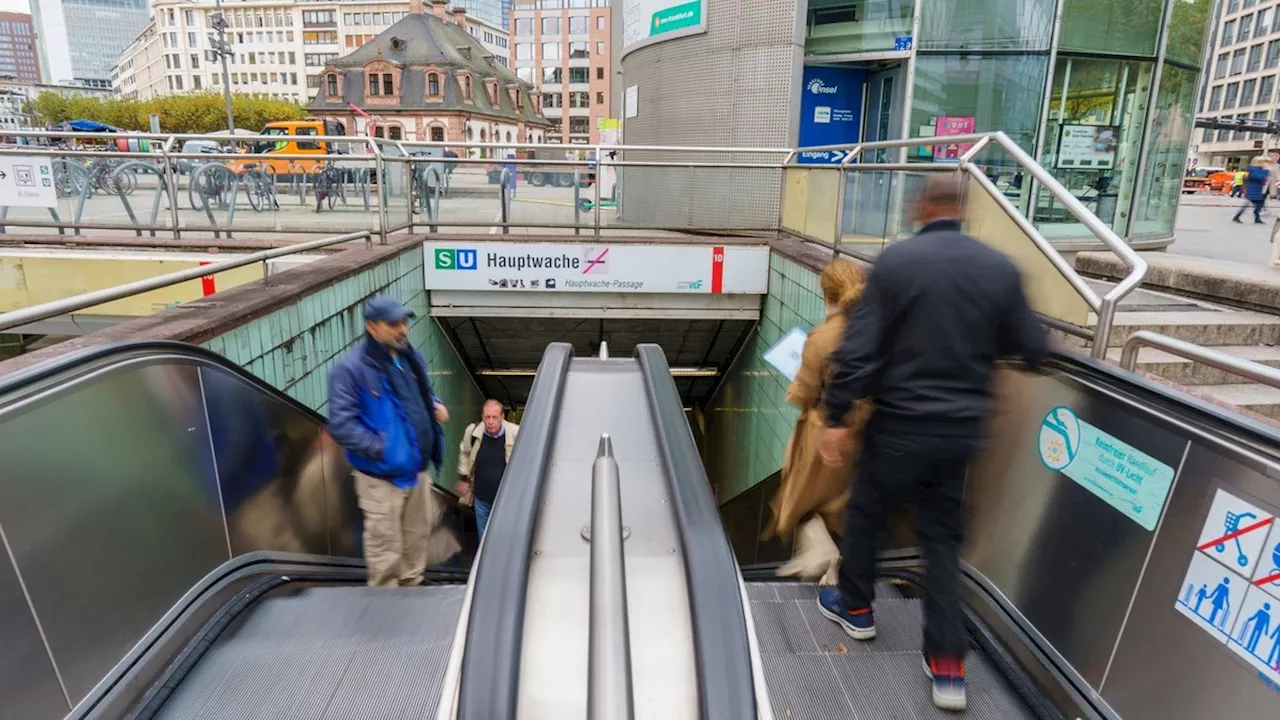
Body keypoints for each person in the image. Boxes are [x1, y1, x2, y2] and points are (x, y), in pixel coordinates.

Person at [815, 174, 1048, 712]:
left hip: (898, 425)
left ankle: (856, 610)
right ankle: (947, 665)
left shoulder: (897, 265)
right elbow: (1033, 349)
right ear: (960, 210)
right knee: (942, 542)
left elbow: (861, 349)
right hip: (962, 432)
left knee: (867, 514)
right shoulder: (998, 268)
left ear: (923, 208)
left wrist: (836, 416)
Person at [328, 296, 451, 588]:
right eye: (393, 324)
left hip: (418, 473)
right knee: (386, 557)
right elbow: (342, 425)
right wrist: (385, 450)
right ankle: (388, 623)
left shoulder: (410, 358)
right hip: (381, 481)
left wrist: (434, 404)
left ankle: (413, 604)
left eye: (404, 322)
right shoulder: (351, 370)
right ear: (372, 328)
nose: (403, 329)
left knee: (415, 547)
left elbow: (422, 393)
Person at [767, 260, 873, 584]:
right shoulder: (878, 328)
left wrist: (794, 389)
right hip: (867, 429)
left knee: (801, 499)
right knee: (844, 505)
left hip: (826, 431)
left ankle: (822, 554)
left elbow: (806, 391)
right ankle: (837, 573)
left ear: (827, 294)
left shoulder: (823, 336)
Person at [456, 399, 520, 538]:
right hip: (482, 499)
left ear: (502, 417)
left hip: (506, 500)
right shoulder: (473, 432)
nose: (490, 421)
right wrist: (463, 478)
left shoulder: (516, 434)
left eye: (494, 417)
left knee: (504, 537)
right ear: (482, 417)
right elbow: (465, 453)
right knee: (484, 540)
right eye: (487, 417)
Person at [1233, 156, 1272, 224]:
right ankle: (1239, 216)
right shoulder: (1254, 169)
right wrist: (1266, 171)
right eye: (1262, 162)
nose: (1264, 163)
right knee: (1253, 203)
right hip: (1253, 188)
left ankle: (1256, 218)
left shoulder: (1259, 169)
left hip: (1257, 188)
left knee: (1256, 203)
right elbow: (1259, 177)